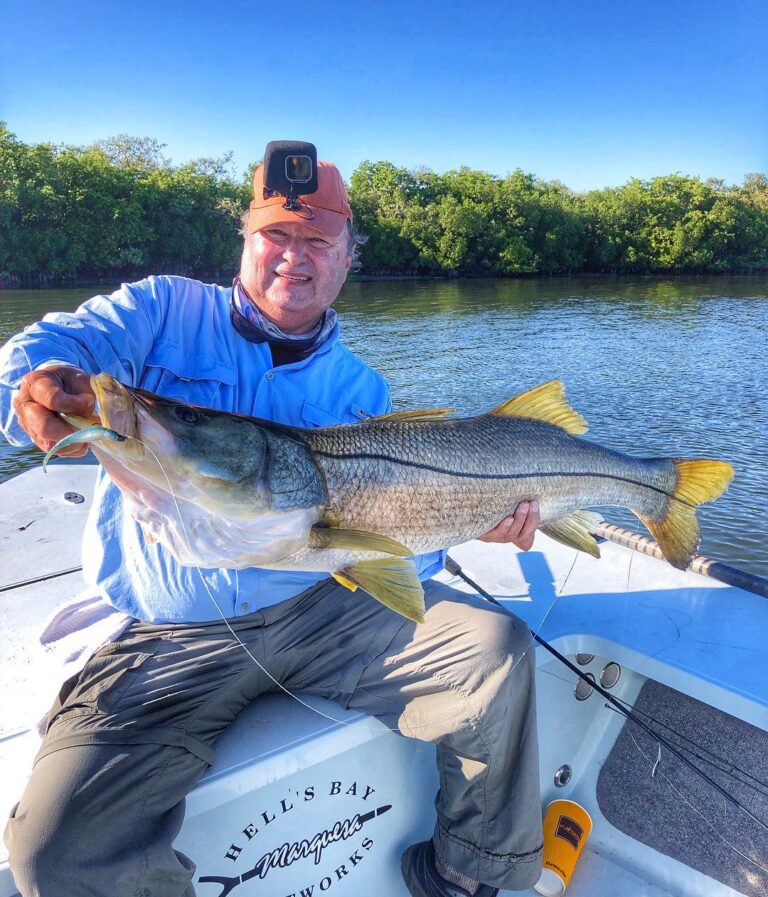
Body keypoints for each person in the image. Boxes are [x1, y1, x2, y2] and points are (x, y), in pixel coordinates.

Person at [0, 153, 544, 897]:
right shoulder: (162, 312)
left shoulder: (361, 390)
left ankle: (468, 871)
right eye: (277, 235)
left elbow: (388, 559)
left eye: (319, 242)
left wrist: (468, 516)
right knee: (55, 846)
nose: (295, 256)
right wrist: (29, 384)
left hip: (322, 605)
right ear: (246, 242)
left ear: (348, 259)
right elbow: (50, 347)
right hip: (174, 632)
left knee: (495, 652)